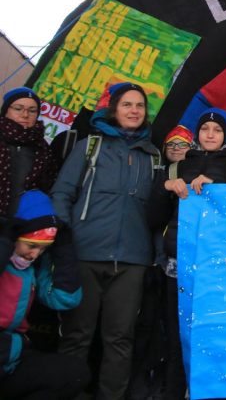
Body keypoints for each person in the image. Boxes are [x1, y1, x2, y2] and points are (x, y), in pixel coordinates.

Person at [50, 82, 161, 400]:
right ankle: (66, 394)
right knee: (76, 336)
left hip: (132, 261)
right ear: (114, 109)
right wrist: (65, 241)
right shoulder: (91, 145)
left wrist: (152, 254)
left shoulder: (152, 156)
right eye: (127, 104)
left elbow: (156, 213)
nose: (134, 111)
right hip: (85, 254)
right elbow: (62, 193)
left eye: (139, 106)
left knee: (120, 339)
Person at [150, 107, 226, 400]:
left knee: (218, 331)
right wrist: (164, 187)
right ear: (197, 134)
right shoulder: (175, 168)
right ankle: (174, 391)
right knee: (178, 334)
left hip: (220, 267)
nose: (210, 134)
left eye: (217, 131)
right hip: (178, 263)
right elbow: (154, 218)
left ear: (225, 135)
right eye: (205, 129)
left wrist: (219, 194)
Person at [0, 191, 89, 399]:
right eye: (31, 246)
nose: (34, 254)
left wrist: (63, 247)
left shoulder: (31, 268)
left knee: (73, 374)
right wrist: (5, 240)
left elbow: (65, 298)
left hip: (10, 358)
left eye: (42, 249)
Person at [0, 87, 59, 218]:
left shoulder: (44, 149)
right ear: (5, 111)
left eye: (32, 110)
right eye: (18, 108)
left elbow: (49, 188)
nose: (25, 115)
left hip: (24, 225)